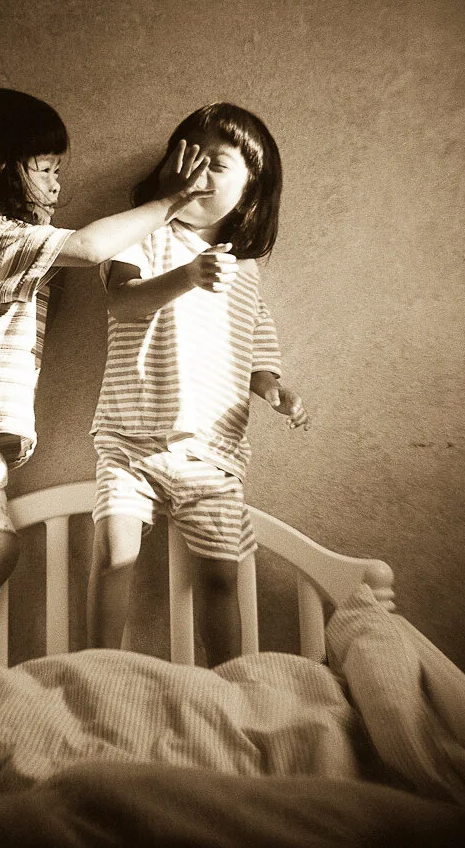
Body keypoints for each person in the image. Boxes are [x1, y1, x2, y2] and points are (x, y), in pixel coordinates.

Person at [0, 87, 215, 685]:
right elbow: (89, 246)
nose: (58, 185)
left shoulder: (12, 243)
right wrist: (169, 202)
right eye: (48, 170)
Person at [87, 102, 310, 667]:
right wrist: (188, 275)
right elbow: (122, 303)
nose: (197, 171)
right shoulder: (141, 234)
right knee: (114, 558)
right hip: (129, 441)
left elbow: (256, 339)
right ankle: (95, 669)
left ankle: (230, 680)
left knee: (220, 577)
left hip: (212, 452)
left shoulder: (244, 270)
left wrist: (273, 388)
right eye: (188, 154)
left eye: (218, 164)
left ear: (250, 190)